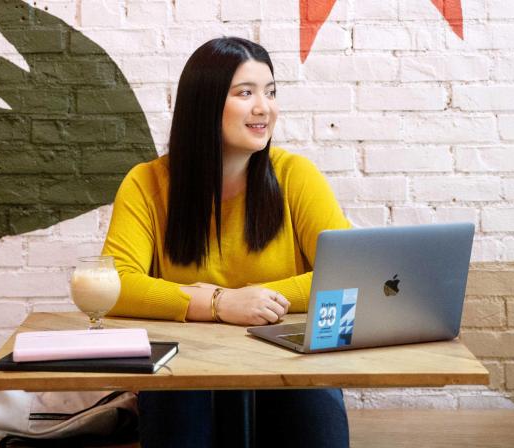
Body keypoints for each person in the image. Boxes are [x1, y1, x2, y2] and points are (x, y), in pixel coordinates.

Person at [102, 36, 351, 448]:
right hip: (185, 362)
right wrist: (220, 304)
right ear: (205, 103)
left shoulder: (296, 175)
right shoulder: (146, 183)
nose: (264, 107)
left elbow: (348, 275)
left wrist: (255, 300)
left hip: (286, 357)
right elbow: (115, 286)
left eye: (270, 93)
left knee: (311, 409)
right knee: (178, 404)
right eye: (245, 93)